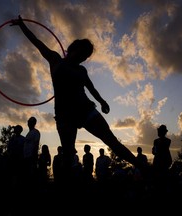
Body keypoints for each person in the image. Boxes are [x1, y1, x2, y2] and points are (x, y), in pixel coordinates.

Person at [11, 15, 137, 180]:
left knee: (112, 141)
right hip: (64, 115)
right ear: (73, 48)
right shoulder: (55, 60)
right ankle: (67, 186)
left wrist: (102, 101)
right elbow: (37, 42)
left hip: (85, 109)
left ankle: (144, 168)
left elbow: (91, 88)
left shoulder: (81, 70)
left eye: (86, 56)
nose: (83, 58)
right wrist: (22, 25)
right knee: (68, 154)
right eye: (83, 53)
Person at [23, 116, 41, 181]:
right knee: (27, 174)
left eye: (31, 122)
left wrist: (34, 155)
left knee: (31, 173)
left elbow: (36, 144)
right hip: (26, 156)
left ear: (34, 123)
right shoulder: (28, 133)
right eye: (29, 122)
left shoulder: (36, 132)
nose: (29, 123)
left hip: (31, 156)